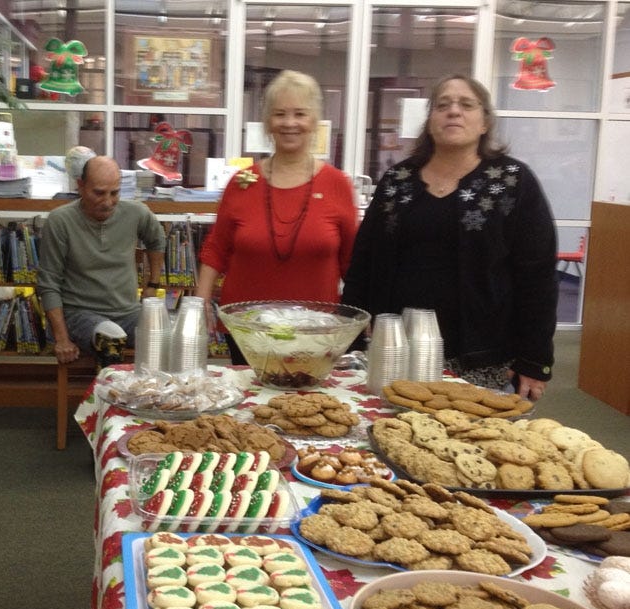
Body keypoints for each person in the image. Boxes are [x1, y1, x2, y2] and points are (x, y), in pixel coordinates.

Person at [340, 74, 558, 400]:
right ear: (430, 122)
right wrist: (352, 339)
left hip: (485, 355)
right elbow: (363, 264)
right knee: (392, 436)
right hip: (398, 351)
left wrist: (534, 359)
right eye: (443, 106)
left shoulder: (513, 182)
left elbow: (538, 275)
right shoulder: (398, 181)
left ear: (484, 122)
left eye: (466, 105)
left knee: (472, 445)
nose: (453, 112)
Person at [195, 70, 358, 364]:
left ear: (314, 122)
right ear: (268, 123)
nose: (290, 123)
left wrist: (360, 320)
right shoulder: (242, 183)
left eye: (300, 113)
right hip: (247, 331)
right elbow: (217, 248)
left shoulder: (338, 185)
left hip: (316, 333)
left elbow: (352, 262)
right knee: (252, 407)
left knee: (309, 407)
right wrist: (199, 303)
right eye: (280, 114)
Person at [36, 155, 166, 367]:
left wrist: (153, 284)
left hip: (128, 312)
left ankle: (155, 397)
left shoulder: (136, 213)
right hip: (79, 314)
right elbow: (48, 283)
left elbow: (157, 240)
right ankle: (111, 397)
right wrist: (61, 339)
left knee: (169, 335)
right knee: (111, 338)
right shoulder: (60, 221)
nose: (107, 202)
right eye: (99, 193)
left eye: (114, 193)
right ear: (80, 186)